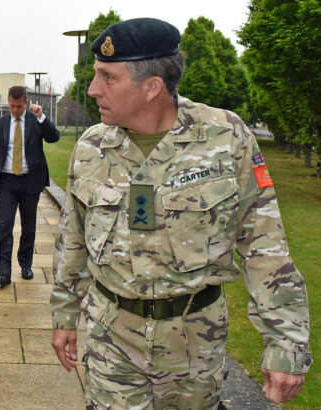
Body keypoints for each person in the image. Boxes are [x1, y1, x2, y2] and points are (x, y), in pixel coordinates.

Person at [50, 17, 311, 409]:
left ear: (152, 86)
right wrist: (64, 314)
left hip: (194, 346)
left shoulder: (227, 138)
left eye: (108, 77)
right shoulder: (91, 147)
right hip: (111, 337)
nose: (92, 89)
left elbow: (264, 244)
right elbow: (73, 238)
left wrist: (287, 342)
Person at [0, 85, 59, 286]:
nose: (15, 110)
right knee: (5, 225)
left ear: (26, 103)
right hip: (7, 181)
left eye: (18, 106)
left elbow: (54, 138)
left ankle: (26, 264)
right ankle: (3, 272)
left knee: (29, 227)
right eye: (12, 106)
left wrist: (42, 118)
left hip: (30, 182)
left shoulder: (35, 120)